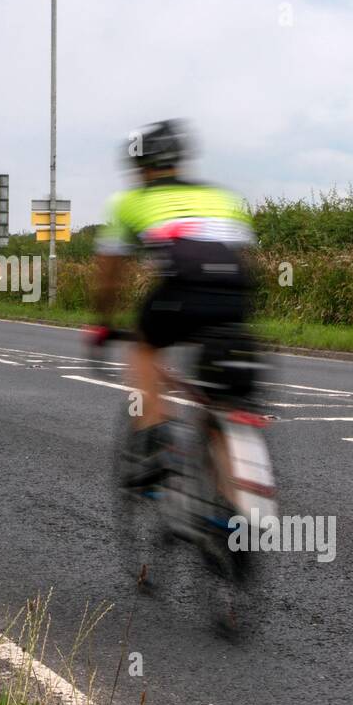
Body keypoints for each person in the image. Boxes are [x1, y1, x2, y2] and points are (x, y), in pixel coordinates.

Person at [88, 119, 257, 488]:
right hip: (237, 296)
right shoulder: (223, 197)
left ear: (140, 168)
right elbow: (242, 254)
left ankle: (155, 437)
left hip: (180, 293)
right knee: (222, 396)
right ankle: (236, 512)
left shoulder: (131, 201)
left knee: (145, 346)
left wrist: (102, 321)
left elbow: (109, 274)